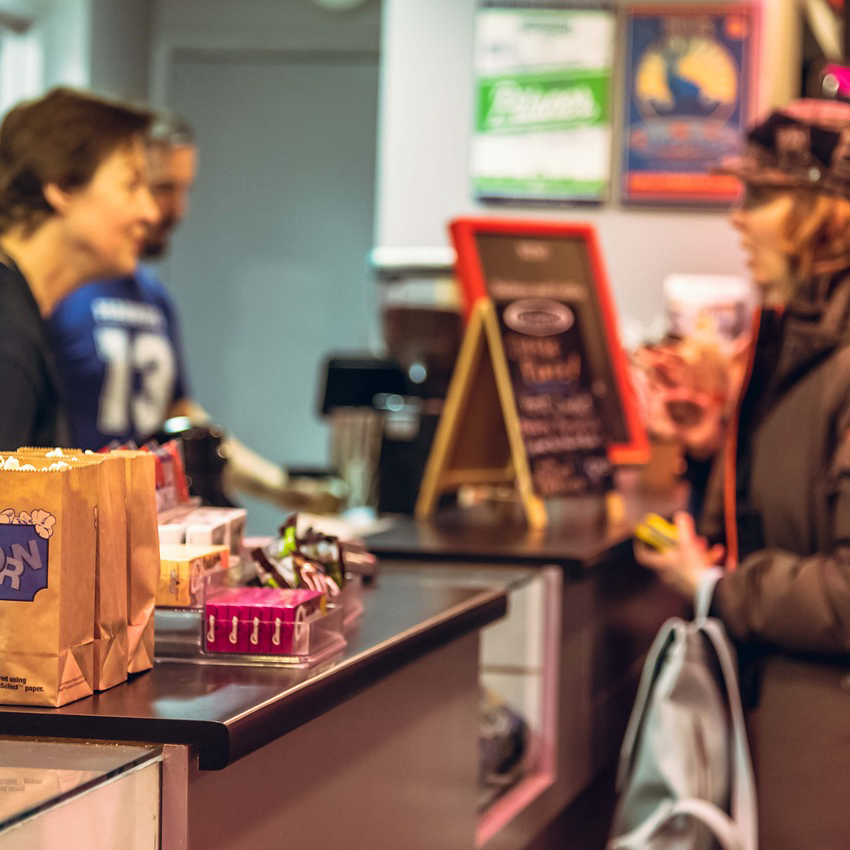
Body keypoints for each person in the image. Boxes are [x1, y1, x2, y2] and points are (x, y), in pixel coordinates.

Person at [634, 99, 850, 850]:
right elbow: (793, 507)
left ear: (828, 213)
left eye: (761, 196)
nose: (739, 217)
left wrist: (718, 589)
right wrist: (714, 448)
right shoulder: (793, 332)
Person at [47, 110, 342, 511]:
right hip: (65, 518)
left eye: (185, 190)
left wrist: (281, 487)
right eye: (163, 188)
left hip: (141, 521)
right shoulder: (58, 293)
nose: (177, 210)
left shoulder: (155, 298)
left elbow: (185, 421)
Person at [0, 87, 158, 449]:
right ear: (63, 186)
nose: (149, 212)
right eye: (131, 185)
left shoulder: (21, 315)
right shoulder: (8, 338)